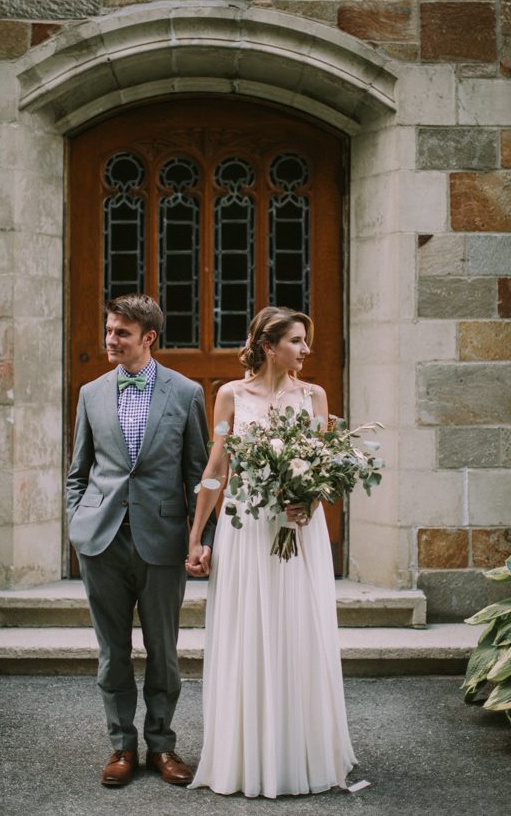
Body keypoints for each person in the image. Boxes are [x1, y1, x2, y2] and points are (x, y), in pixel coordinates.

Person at [186, 306, 357, 798]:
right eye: (298, 341)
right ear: (268, 345)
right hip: (247, 529)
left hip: (298, 530)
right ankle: (246, 755)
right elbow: (217, 465)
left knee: (297, 628)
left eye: (306, 341)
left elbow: (324, 463)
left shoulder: (314, 395)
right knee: (248, 629)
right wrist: (198, 535)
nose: (307, 350)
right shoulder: (230, 396)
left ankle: (298, 753)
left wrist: (307, 495)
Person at [66, 294, 215, 788]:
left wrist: (201, 538)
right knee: (112, 652)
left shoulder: (187, 392)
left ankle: (163, 746)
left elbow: (200, 473)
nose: (111, 340)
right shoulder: (91, 393)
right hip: (102, 542)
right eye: (109, 331)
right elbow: (78, 472)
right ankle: (121, 747)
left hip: (163, 541)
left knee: (163, 651)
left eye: (121, 333)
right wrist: (77, 523)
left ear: (148, 337)